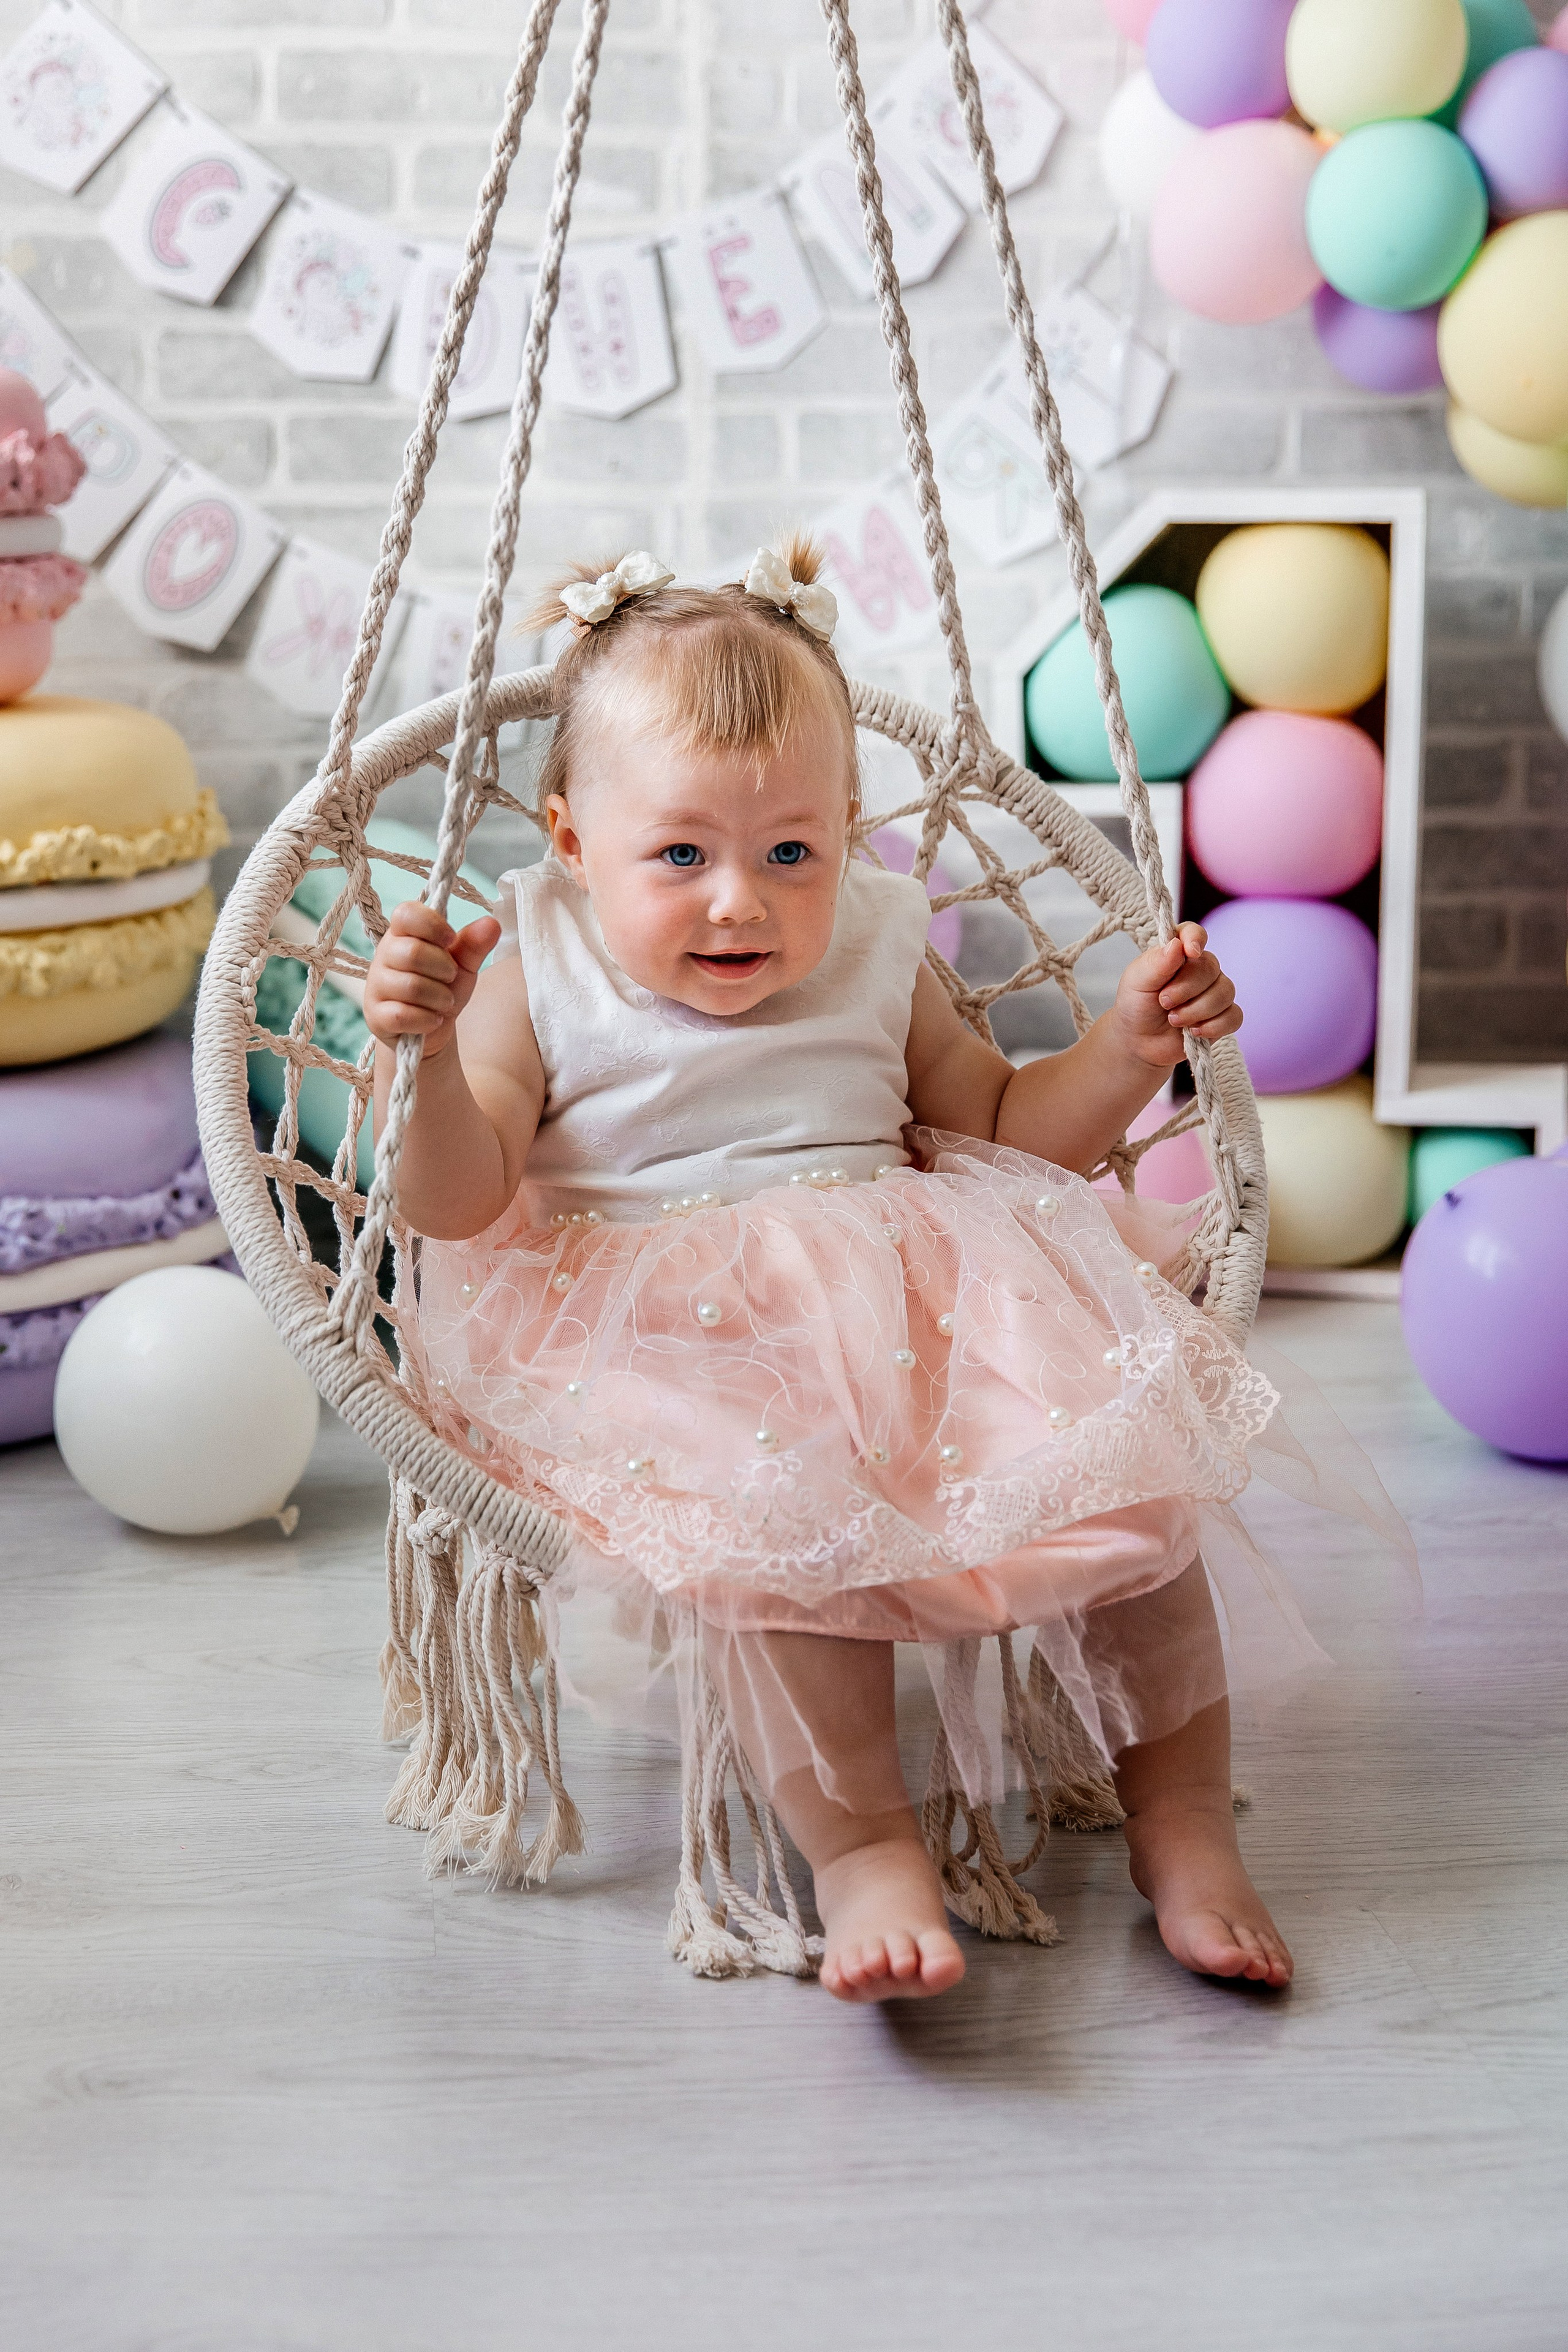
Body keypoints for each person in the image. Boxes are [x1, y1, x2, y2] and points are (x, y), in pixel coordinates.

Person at [364, 540, 1335, 2003]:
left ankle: (1183, 1823)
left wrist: (1130, 1053)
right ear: (570, 840)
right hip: (665, 1331)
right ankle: (865, 1843)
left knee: (1132, 1477)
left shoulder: (883, 941)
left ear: (848, 832)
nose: (738, 903)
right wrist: (425, 1057)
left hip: (920, 1295)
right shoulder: (536, 963)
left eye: (788, 852)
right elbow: (456, 1198)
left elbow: (1007, 1130)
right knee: (776, 1539)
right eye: (678, 855)